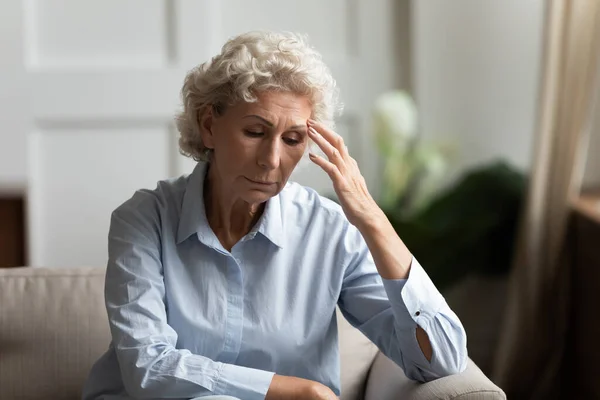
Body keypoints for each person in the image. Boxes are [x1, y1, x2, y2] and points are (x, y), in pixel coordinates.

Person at [82, 31, 468, 400]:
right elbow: (147, 368)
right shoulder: (144, 219)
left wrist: (372, 219)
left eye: (293, 139)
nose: (271, 160)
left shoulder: (330, 231)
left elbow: (440, 362)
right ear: (209, 125)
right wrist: (294, 391)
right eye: (254, 131)